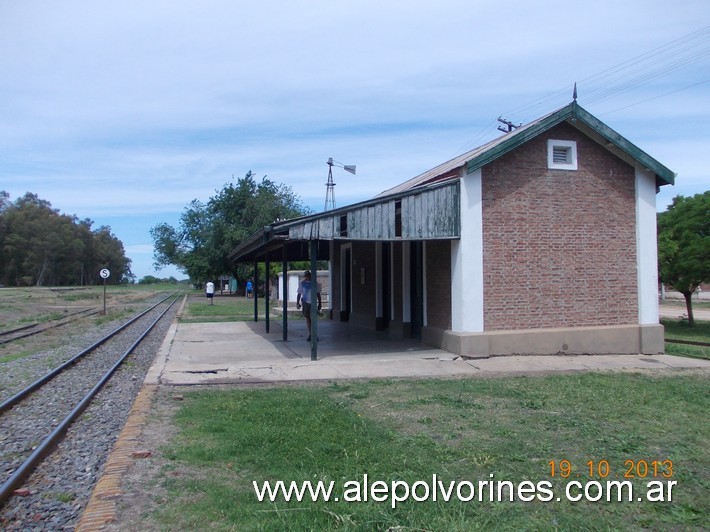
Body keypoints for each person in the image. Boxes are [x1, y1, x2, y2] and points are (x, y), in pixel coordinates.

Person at [296, 270, 322, 341]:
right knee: (308, 318)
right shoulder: (302, 283)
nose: (307, 276)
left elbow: (318, 293)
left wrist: (320, 303)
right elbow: (299, 293)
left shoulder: (314, 283)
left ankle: (314, 334)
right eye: (306, 275)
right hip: (305, 302)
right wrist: (297, 302)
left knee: (313, 318)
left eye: (308, 275)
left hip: (313, 303)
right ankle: (311, 333)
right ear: (304, 276)